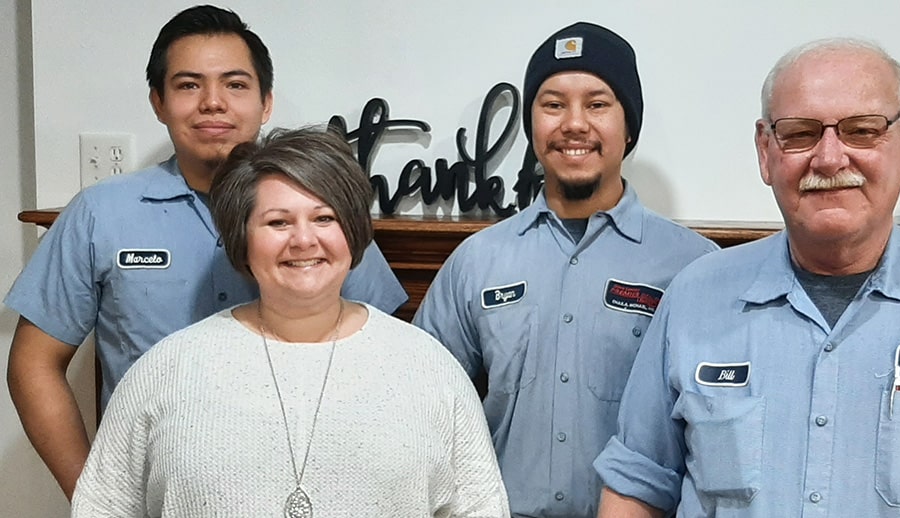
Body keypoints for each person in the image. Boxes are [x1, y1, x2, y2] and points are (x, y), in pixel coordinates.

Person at [595, 37, 900, 517]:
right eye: (800, 133)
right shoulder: (695, 298)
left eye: (862, 131)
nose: (829, 159)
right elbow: (638, 482)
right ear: (765, 150)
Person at [4, 5, 406, 501]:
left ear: (266, 102)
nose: (213, 103)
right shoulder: (100, 214)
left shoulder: (321, 215)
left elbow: (387, 353)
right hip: (157, 493)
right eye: (188, 85)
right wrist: (96, 498)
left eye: (235, 84)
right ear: (158, 102)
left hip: (314, 487)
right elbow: (34, 365)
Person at [70, 126, 509, 517]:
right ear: (243, 239)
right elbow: (102, 506)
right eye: (278, 222)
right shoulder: (166, 369)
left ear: (353, 233)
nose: (303, 240)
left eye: (324, 218)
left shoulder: (428, 367)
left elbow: (480, 506)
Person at [414, 22, 717, 517]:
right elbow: (421, 404)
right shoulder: (478, 260)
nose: (574, 124)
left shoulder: (692, 265)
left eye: (597, 104)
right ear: (532, 124)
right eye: (553, 104)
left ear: (629, 126)